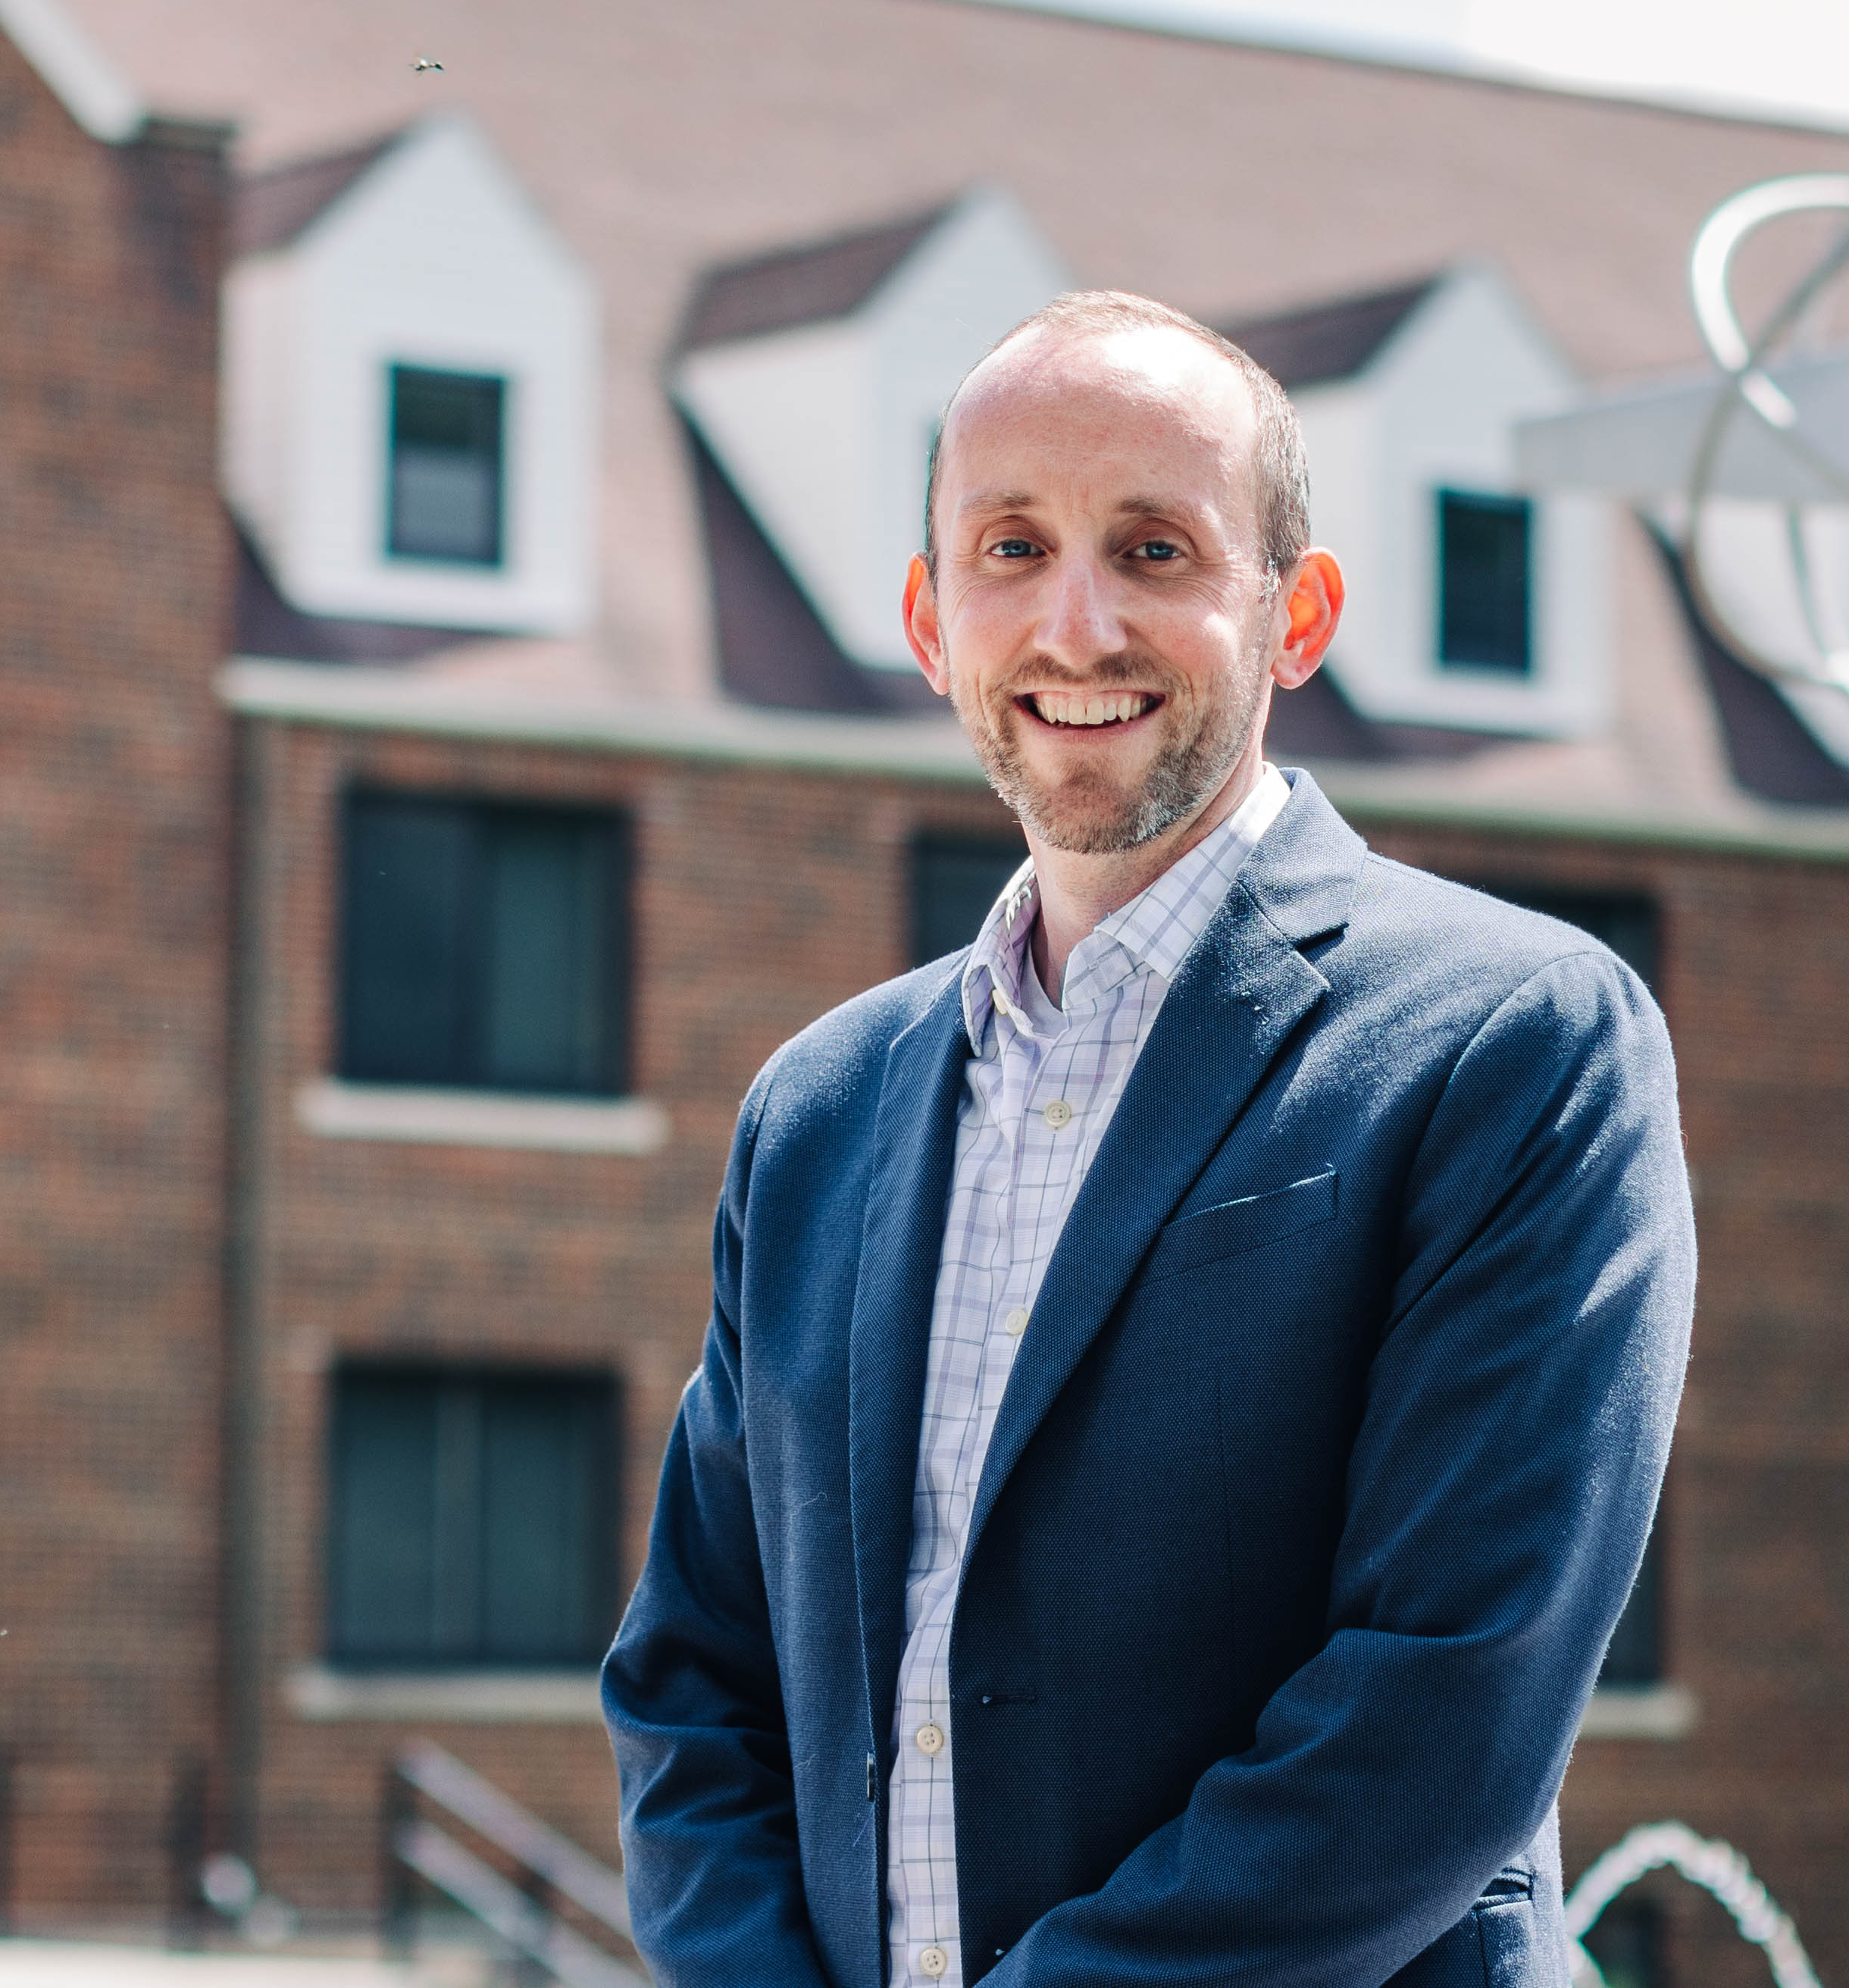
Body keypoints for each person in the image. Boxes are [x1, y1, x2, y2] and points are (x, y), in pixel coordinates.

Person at [603, 289, 1695, 1988]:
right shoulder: (818, 1109)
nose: (1078, 622)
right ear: (927, 616)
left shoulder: (1521, 1041)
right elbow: (696, 1676)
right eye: (1012, 548)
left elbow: (1443, 1703)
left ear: (1298, 613)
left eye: (1159, 549)